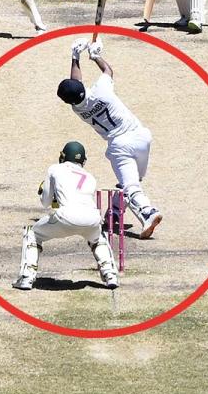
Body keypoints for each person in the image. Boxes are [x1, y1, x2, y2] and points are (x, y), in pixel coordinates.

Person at [56, 39, 163, 241]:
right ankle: (114, 212)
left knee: (131, 186)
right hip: (141, 137)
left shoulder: (78, 109)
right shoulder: (101, 90)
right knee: (131, 181)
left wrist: (75, 57)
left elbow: (75, 85)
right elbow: (108, 71)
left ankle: (148, 212)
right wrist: (96, 56)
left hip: (120, 146)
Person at [13, 141, 119, 290]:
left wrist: (42, 190)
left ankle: (26, 277)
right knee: (97, 238)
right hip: (92, 218)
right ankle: (110, 275)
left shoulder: (55, 169)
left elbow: (46, 202)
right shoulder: (90, 177)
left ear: (63, 156)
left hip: (66, 217)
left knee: (32, 233)